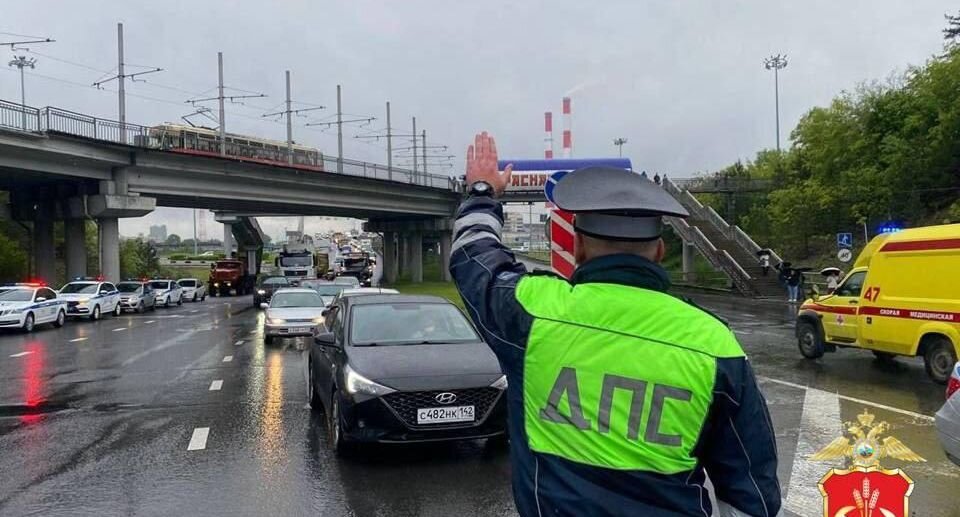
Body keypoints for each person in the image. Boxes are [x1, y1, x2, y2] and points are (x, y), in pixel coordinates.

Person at [450, 132, 781, 517]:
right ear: (659, 252)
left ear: (578, 248)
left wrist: (481, 189)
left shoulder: (533, 313)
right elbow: (752, 494)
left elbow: (473, 257)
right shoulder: (713, 342)